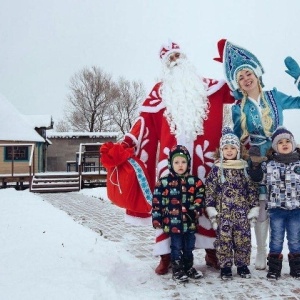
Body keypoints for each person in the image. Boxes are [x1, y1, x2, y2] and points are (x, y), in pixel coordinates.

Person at [101, 41, 235, 275]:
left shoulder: (209, 87)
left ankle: (212, 252)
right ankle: (166, 255)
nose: (175, 61)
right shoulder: (158, 92)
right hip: (171, 162)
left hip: (203, 159)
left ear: (184, 58)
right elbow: (143, 123)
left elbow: (236, 91)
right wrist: (128, 142)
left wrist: (235, 65)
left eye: (177, 56)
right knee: (169, 208)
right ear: (165, 65)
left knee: (207, 205)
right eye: (169, 59)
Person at [214, 39, 300, 270]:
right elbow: (230, 134)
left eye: (248, 73)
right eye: (240, 77)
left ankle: (285, 251)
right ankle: (262, 251)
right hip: (254, 160)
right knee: (262, 206)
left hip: (281, 157)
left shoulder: (275, 96)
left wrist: (299, 78)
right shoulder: (237, 107)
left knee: (282, 204)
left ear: (257, 73)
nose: (246, 79)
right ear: (237, 84)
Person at [205, 127, 260, 280]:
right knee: (224, 241)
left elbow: (251, 190)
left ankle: (242, 265)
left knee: (243, 240)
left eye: (232, 148)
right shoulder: (217, 169)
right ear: (221, 150)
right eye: (226, 148)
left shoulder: (244, 168)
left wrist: (253, 209)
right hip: (223, 214)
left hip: (241, 214)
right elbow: (210, 191)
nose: (229, 151)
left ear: (238, 150)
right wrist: (212, 213)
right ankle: (226, 266)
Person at [249, 127, 300, 279]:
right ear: (275, 147)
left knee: (295, 238)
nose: (284, 144)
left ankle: (296, 267)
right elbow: (257, 178)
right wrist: (256, 165)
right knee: (276, 238)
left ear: (293, 144)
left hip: (296, 208)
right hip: (277, 209)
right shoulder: (269, 165)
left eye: (287, 141)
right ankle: (274, 268)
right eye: (280, 142)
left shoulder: (298, 164)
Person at [152, 145, 205, 283]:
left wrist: (197, 208)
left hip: (190, 222)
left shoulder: (194, 181)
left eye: (183, 162)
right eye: (176, 162)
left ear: (188, 163)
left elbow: (201, 196)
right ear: (171, 164)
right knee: (176, 246)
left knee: (189, 246)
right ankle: (177, 269)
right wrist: (157, 218)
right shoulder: (164, 182)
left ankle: (188, 267)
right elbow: (157, 201)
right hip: (173, 223)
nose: (180, 165)